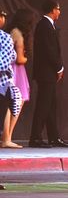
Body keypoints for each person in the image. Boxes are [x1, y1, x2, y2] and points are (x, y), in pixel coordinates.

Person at [29, 0, 68, 148]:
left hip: (49, 73)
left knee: (51, 106)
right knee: (43, 105)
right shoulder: (44, 25)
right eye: (58, 9)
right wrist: (59, 67)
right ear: (53, 10)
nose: (59, 12)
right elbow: (49, 50)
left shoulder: (48, 25)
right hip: (45, 73)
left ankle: (54, 137)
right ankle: (35, 138)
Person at [2, 9, 34, 148]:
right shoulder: (18, 34)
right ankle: (7, 138)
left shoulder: (9, 31)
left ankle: (6, 138)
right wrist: (27, 58)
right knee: (14, 103)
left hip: (8, 70)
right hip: (16, 71)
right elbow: (20, 59)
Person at [0, 9, 22, 148]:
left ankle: (6, 138)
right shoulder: (5, 37)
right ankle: (6, 139)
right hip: (3, 81)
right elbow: (8, 60)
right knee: (13, 100)